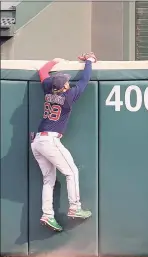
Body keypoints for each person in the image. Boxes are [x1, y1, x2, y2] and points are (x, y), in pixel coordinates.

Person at [31, 52, 97, 232]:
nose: (69, 83)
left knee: (48, 180)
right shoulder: (68, 97)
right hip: (50, 141)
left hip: (37, 141)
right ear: (63, 88)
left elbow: (43, 71)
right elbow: (84, 80)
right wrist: (89, 62)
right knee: (72, 172)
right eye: (66, 82)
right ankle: (75, 207)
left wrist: (54, 60)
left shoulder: (47, 88)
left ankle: (47, 214)